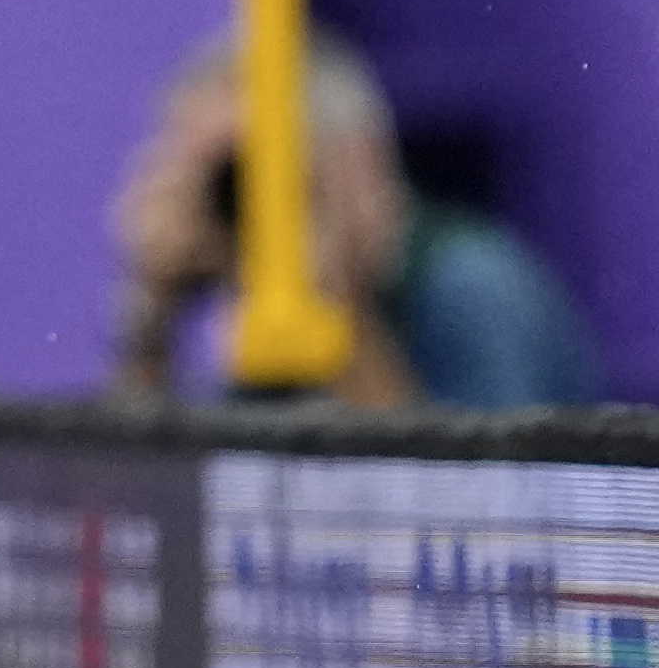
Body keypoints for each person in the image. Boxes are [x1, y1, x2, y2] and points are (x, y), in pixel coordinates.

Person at [106, 37, 605, 409]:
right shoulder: (267, 301)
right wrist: (153, 310)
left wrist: (342, 316)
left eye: (253, 171)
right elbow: (152, 500)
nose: (243, 200)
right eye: (217, 177)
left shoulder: (473, 284)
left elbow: (472, 506)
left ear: (352, 161)